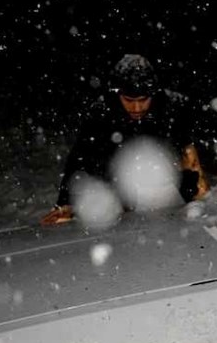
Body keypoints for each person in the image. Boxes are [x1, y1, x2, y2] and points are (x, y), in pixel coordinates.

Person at [41, 54, 206, 226]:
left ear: (153, 94)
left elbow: (190, 156)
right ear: (117, 94)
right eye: (129, 100)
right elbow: (80, 159)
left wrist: (198, 194)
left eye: (143, 100)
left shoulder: (173, 107)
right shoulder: (101, 112)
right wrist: (66, 203)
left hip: (165, 184)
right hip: (118, 186)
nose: (136, 108)